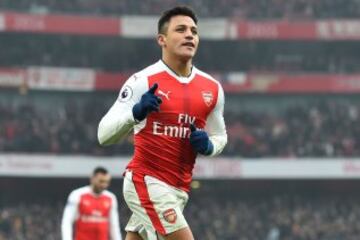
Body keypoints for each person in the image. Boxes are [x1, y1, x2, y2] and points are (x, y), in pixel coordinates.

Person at [97, 6, 227, 240]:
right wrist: (135, 114)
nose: (190, 35)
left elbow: (220, 136)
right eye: (181, 29)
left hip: (179, 189)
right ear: (162, 40)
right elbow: (103, 135)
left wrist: (208, 146)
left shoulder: (212, 88)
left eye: (194, 31)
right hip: (147, 181)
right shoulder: (142, 81)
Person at [61, 167, 122, 240]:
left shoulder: (111, 198)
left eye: (107, 182)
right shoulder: (77, 195)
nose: (104, 185)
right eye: (101, 181)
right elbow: (67, 222)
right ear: (92, 179)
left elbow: (114, 226)